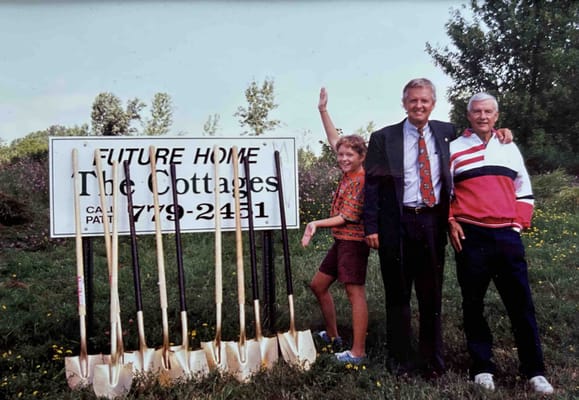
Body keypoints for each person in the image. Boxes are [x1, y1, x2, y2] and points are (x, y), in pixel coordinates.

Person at [363, 78, 512, 379]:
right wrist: (371, 226)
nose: (419, 106)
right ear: (404, 103)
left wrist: (500, 133)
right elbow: (372, 187)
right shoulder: (383, 137)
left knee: (431, 294)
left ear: (433, 103)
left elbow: (477, 135)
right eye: (413, 100)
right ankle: (400, 359)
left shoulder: (447, 133)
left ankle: (432, 360)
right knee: (398, 293)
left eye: (425, 101)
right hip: (397, 222)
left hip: (432, 221)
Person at [448, 92, 554, 394]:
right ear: (469, 116)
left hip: (507, 236)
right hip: (471, 237)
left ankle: (535, 370)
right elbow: (447, 193)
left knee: (521, 304)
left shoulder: (509, 146)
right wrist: (451, 220)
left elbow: (524, 188)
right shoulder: (454, 149)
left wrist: (518, 225)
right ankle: (482, 367)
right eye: (477, 111)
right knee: (473, 304)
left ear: (496, 115)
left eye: (488, 112)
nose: (483, 116)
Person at [301, 87, 370, 365]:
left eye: (349, 155)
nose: (343, 158)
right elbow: (333, 139)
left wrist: (315, 223)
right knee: (318, 285)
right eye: (340, 155)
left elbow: (345, 216)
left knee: (355, 294)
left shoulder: (360, 180)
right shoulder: (347, 169)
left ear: (361, 157)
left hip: (354, 242)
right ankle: (333, 336)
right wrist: (322, 110)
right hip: (341, 241)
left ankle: (358, 352)